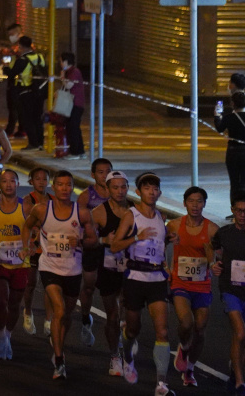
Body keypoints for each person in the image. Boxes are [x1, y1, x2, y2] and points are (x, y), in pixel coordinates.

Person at [21, 170, 97, 380]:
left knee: (66, 316)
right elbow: (26, 227)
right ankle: (60, 360)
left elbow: (94, 240)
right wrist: (26, 246)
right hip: (49, 267)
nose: (64, 188)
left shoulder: (81, 213)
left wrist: (81, 242)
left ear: (73, 187)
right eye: (60, 185)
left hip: (72, 269)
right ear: (53, 187)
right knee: (59, 309)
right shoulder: (42, 209)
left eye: (68, 185)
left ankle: (59, 349)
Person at [111, 172, 175, 395]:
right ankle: (128, 357)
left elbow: (157, 245)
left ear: (160, 193)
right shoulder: (131, 215)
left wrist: (168, 241)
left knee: (163, 332)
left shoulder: (161, 215)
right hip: (135, 278)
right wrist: (137, 237)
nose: (152, 192)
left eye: (155, 188)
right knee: (133, 328)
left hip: (157, 278)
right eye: (147, 188)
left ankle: (161, 383)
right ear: (138, 192)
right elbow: (115, 246)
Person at [167, 186, 217, 388]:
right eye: (191, 201)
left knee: (201, 329)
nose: (195, 205)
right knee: (186, 323)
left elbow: (216, 257)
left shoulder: (212, 229)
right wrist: (164, 268)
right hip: (180, 282)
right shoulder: (174, 225)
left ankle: (190, 369)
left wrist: (211, 258)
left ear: (204, 204)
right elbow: (158, 243)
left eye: (199, 201)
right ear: (184, 202)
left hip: (202, 284)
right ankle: (184, 348)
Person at [91, 170, 131, 377]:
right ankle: (115, 355)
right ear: (107, 189)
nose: (119, 191)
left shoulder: (136, 212)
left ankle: (127, 342)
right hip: (108, 269)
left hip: (131, 270)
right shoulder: (98, 213)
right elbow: (86, 240)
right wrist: (104, 241)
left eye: (123, 186)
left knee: (130, 316)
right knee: (113, 316)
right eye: (115, 187)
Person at [0, 168, 32, 360]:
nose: (8, 184)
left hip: (20, 263)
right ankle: (0, 336)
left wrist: (31, 247)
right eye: (4, 181)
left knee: (15, 303)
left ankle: (8, 335)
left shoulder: (26, 207)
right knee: (1, 299)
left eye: (12, 181)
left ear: (18, 184)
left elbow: (39, 230)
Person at [77, 157, 113, 348]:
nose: (105, 174)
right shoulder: (85, 196)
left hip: (113, 249)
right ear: (93, 175)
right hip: (92, 247)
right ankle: (85, 319)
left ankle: (118, 324)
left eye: (108, 170)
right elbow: (78, 223)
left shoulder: (118, 194)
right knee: (89, 286)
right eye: (101, 171)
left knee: (116, 290)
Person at [212, 191, 245, 395]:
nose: (243, 215)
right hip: (230, 290)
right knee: (240, 331)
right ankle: (239, 381)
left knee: (242, 336)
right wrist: (214, 264)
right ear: (233, 211)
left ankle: (236, 369)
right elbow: (214, 252)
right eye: (240, 211)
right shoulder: (223, 233)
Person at [21, 167, 50, 336]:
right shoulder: (27, 200)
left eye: (44, 179)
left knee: (49, 285)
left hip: (49, 248)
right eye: (37, 179)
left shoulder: (53, 199)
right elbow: (30, 221)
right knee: (31, 283)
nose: (41, 182)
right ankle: (28, 311)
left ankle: (48, 319)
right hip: (33, 247)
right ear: (31, 181)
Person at [7, 35, 46, 151]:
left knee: (27, 118)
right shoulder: (40, 57)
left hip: (26, 92)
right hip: (39, 92)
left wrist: (5, 68)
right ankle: (40, 143)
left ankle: (33, 143)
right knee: (38, 118)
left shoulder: (22, 60)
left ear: (21, 47)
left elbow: (11, 74)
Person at [216, 86, 245, 213]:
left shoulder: (229, 118)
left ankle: (235, 209)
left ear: (232, 104)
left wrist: (217, 114)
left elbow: (219, 128)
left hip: (233, 152)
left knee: (234, 181)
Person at [59, 52, 86, 159]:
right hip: (74, 104)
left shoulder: (74, 71)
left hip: (75, 104)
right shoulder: (70, 71)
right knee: (74, 128)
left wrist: (62, 77)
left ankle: (75, 152)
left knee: (72, 128)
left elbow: (69, 85)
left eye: (61, 61)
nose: (60, 63)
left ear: (66, 61)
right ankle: (80, 151)